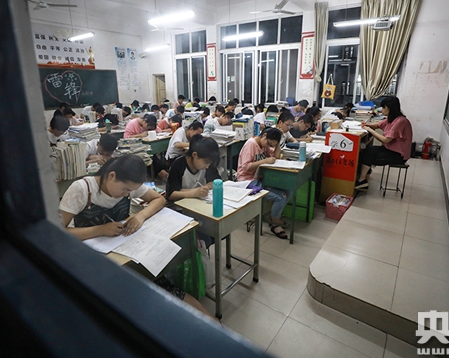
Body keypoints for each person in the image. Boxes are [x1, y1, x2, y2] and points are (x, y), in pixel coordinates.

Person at [58, 154, 216, 320]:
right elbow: (58, 229)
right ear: (111, 175)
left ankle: (212, 324)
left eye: (130, 191)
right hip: (95, 259)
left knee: (160, 284)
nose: (127, 194)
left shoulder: (129, 185)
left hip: (126, 251)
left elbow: (158, 199)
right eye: (125, 189)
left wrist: (140, 216)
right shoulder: (82, 189)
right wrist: (100, 230)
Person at [236, 128, 291, 239]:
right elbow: (245, 167)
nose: (268, 146)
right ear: (264, 135)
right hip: (247, 181)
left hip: (260, 178)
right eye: (269, 144)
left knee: (288, 190)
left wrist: (277, 144)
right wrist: (264, 161)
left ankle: (275, 217)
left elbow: (275, 157)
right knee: (280, 197)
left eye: (272, 145)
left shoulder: (264, 145)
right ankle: (275, 222)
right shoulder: (251, 144)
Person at [355, 96, 413, 190]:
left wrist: (370, 130)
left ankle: (362, 180)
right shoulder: (392, 118)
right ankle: (364, 178)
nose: (382, 110)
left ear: (389, 108)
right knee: (367, 150)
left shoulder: (400, 121)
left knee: (368, 154)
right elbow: (379, 125)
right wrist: (367, 125)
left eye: (383, 107)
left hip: (398, 155)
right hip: (390, 149)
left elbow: (386, 140)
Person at [166, 135, 221, 202]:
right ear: (194, 155)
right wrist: (194, 193)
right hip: (181, 204)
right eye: (205, 162)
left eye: (209, 163)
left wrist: (207, 187)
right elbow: (171, 195)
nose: (207, 166)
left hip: (199, 202)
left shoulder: (207, 163)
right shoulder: (178, 165)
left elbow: (217, 181)